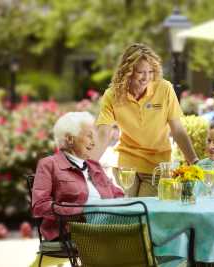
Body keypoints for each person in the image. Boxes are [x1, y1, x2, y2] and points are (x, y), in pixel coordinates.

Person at [93, 43, 198, 197]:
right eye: (140, 72)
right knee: (125, 210)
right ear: (127, 72)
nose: (146, 77)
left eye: (150, 72)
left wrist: (194, 160)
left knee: (146, 212)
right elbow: (103, 134)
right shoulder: (112, 95)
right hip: (125, 163)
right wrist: (86, 163)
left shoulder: (164, 89)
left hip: (157, 165)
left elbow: (177, 129)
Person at [32, 112, 124, 241]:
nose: (93, 143)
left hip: (105, 225)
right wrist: (82, 211)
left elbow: (117, 195)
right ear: (70, 139)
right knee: (133, 240)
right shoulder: (49, 164)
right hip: (72, 231)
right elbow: (40, 206)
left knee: (146, 230)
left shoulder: (94, 166)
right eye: (89, 136)